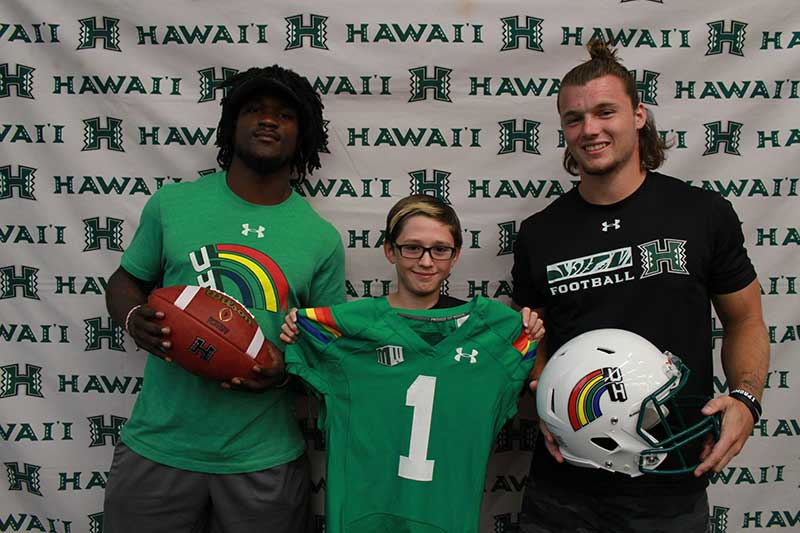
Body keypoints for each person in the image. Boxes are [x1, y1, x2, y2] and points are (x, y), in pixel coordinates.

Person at [511, 39, 770, 532]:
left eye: (605, 111)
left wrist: (746, 399)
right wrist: (543, 392)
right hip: (564, 483)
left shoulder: (702, 213)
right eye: (574, 119)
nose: (590, 129)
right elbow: (531, 336)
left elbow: (746, 320)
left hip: (671, 478)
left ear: (638, 115)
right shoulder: (540, 233)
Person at [103, 65, 345, 532]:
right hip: (159, 446)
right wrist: (134, 316)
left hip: (264, 458)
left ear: (304, 135)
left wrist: (286, 370)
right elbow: (124, 280)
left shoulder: (320, 238)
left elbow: (326, 342)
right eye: (253, 110)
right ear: (231, 126)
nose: (268, 121)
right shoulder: (172, 205)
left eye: (284, 115)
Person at [280, 194, 544, 532]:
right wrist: (296, 331)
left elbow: (524, 346)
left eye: (440, 249)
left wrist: (527, 332)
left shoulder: (497, 335)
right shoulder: (348, 332)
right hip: (366, 520)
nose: (426, 261)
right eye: (412, 248)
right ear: (390, 250)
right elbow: (301, 346)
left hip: (444, 519)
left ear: (455, 256)